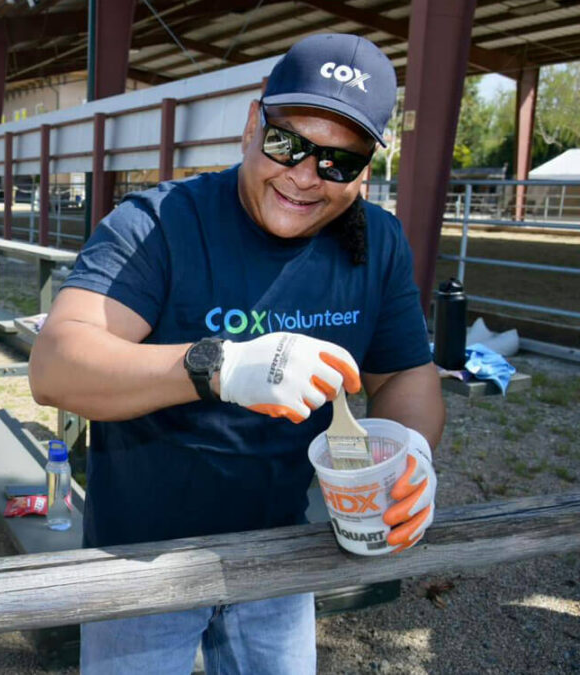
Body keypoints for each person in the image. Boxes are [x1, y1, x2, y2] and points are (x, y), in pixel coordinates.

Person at [28, 33, 444, 674]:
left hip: (281, 549)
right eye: (287, 143)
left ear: (366, 169)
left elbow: (404, 374)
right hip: (140, 556)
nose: (305, 175)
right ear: (253, 124)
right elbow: (56, 364)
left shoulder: (377, 242)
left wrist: (408, 453)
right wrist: (218, 366)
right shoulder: (161, 222)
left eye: (339, 162)